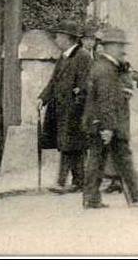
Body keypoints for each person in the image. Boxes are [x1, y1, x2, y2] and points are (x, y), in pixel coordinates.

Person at [81, 27, 138, 209]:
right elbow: (105, 100)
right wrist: (107, 127)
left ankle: (96, 198)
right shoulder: (105, 68)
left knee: (106, 160)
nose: (122, 49)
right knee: (103, 161)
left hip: (104, 122)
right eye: (119, 45)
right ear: (109, 47)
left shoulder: (108, 66)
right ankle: (96, 198)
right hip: (106, 123)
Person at [38, 21, 87, 194]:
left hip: (74, 110)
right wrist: (42, 98)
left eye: (59, 35)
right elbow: (53, 82)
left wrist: (77, 104)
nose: (56, 38)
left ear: (68, 38)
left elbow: (85, 85)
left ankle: (61, 182)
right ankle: (80, 181)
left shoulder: (82, 56)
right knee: (73, 147)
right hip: (60, 108)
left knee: (68, 146)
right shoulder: (64, 56)